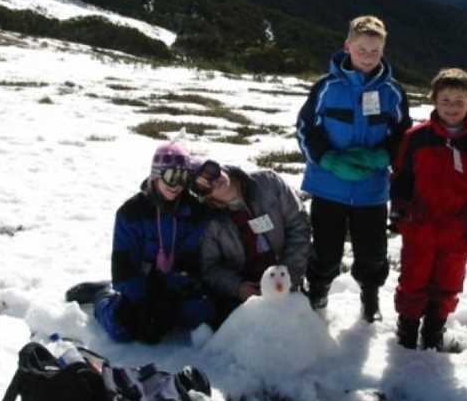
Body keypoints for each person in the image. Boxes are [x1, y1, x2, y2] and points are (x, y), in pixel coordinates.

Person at [296, 15, 411, 322]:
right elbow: (306, 130)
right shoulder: (325, 87)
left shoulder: (393, 92)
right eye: (362, 49)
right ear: (347, 46)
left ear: (383, 50)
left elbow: (404, 136)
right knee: (325, 250)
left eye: (375, 51)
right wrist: (328, 159)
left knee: (372, 253)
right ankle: (318, 292)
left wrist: (382, 157)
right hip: (328, 185)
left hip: (371, 190)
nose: (368, 56)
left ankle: (370, 297)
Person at [391, 68, 467, 350]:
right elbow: (401, 178)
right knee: (413, 279)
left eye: (459, 101)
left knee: (448, 282)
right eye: (446, 100)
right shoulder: (416, 138)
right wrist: (399, 213)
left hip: (458, 230)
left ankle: (433, 330)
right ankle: (407, 329)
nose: (452, 107)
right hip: (420, 224)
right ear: (434, 101)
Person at [65, 141, 216, 343]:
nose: (176, 185)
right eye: (171, 176)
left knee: (200, 314)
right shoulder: (131, 213)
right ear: (156, 175)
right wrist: (143, 302)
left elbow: (190, 259)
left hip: (175, 286)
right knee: (122, 327)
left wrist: (170, 296)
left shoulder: (194, 212)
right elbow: (123, 266)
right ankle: (102, 295)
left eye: (182, 177)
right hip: (141, 283)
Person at [192, 160, 311, 324]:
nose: (214, 181)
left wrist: (289, 275)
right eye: (205, 185)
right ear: (206, 196)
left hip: (286, 279)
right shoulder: (211, 222)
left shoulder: (269, 183)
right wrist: (238, 288)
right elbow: (210, 267)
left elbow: (299, 225)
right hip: (247, 293)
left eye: (210, 171)